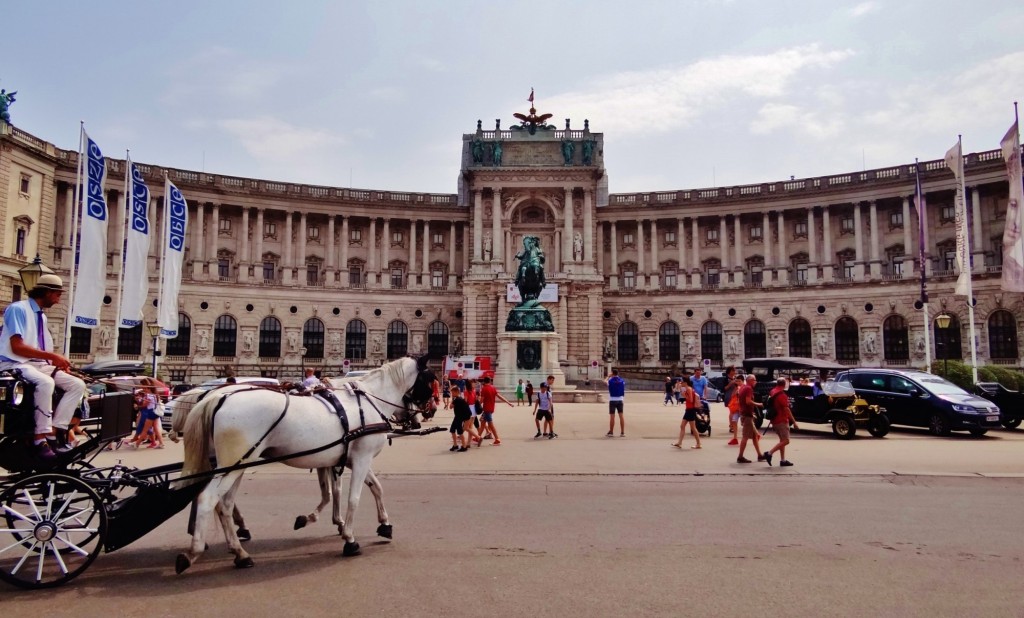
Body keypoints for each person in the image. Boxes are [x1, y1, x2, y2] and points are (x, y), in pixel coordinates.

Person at [0, 273, 87, 460]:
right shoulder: (18, 309)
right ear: (47, 292)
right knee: (46, 383)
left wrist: (57, 364)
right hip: (13, 363)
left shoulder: (42, 317)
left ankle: (56, 432)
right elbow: (17, 347)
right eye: (57, 295)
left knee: (77, 385)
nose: (58, 300)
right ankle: (40, 438)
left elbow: (41, 349)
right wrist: (52, 357)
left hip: (34, 365)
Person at [763, 377, 798, 467]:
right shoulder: (782, 395)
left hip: (774, 419)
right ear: (784, 384)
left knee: (782, 440)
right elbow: (787, 409)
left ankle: (783, 460)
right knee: (786, 441)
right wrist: (794, 422)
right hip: (781, 419)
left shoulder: (773, 391)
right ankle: (769, 453)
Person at [736, 375, 765, 464]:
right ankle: (740, 456)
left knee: (754, 436)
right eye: (755, 380)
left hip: (746, 414)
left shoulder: (743, 387)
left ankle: (759, 455)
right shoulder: (748, 388)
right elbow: (748, 401)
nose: (756, 382)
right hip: (747, 415)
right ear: (751, 380)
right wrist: (759, 404)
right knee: (745, 437)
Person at [478, 376, 513, 446]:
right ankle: (477, 437)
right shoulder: (493, 388)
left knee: (491, 425)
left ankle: (497, 439)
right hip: (490, 408)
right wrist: (508, 402)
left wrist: (476, 405)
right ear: (490, 381)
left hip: (486, 409)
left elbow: (481, 400)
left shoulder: (484, 389)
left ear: (484, 382)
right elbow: (499, 396)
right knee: (482, 423)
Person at [671, 377, 703, 449]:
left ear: (685, 382)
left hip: (690, 410)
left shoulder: (688, 389)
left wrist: (684, 395)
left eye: (682, 382)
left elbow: (691, 400)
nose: (681, 383)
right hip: (688, 410)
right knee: (683, 426)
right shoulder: (688, 388)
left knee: (693, 427)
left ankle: (698, 443)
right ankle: (679, 442)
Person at [449, 385, 471, 452]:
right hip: (458, 417)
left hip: (459, 417)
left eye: (452, 392)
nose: (451, 394)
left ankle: (464, 446)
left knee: (460, 432)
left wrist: (452, 400)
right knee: (452, 430)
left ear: (456, 392)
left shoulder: (457, 399)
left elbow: (450, 407)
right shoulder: (461, 398)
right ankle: (455, 445)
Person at [722, 367, 741, 445]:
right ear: (729, 371)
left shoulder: (735, 378)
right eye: (733, 370)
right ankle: (731, 426)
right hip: (729, 396)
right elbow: (724, 388)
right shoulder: (725, 379)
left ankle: (732, 425)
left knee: (734, 411)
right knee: (732, 411)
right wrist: (731, 383)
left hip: (735, 397)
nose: (734, 372)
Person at [605, 368, 626, 437]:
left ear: (612, 373)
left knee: (612, 417)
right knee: (621, 416)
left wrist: (608, 376)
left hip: (612, 400)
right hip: (620, 400)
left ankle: (611, 432)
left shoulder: (610, 381)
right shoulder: (622, 381)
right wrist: (615, 375)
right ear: (618, 373)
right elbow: (623, 384)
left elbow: (605, 381)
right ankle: (622, 432)